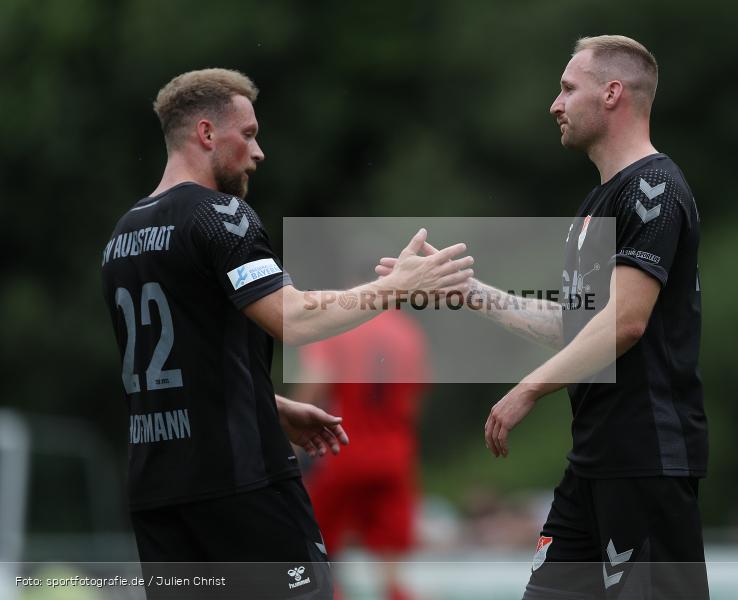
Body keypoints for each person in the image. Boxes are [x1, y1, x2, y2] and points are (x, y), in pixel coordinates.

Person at [100, 68, 472, 599]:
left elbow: (178, 361)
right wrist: (397, 287)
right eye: (248, 134)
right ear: (206, 134)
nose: (259, 152)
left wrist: (266, 403)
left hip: (157, 489)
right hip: (239, 481)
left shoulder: (122, 235)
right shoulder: (220, 215)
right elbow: (293, 317)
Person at [378, 35, 708, 599]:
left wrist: (529, 388)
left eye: (566, 89)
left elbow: (625, 322)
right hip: (593, 461)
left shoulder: (653, 188)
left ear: (611, 93)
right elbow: (580, 324)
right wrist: (472, 291)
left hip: (645, 458)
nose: (555, 104)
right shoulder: (595, 205)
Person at [294, 309, 428, 600]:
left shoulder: (339, 325)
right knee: (392, 571)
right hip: (395, 455)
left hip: (343, 451)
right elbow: (414, 399)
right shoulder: (408, 332)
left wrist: (291, 434)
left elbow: (318, 380)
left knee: (318, 545)